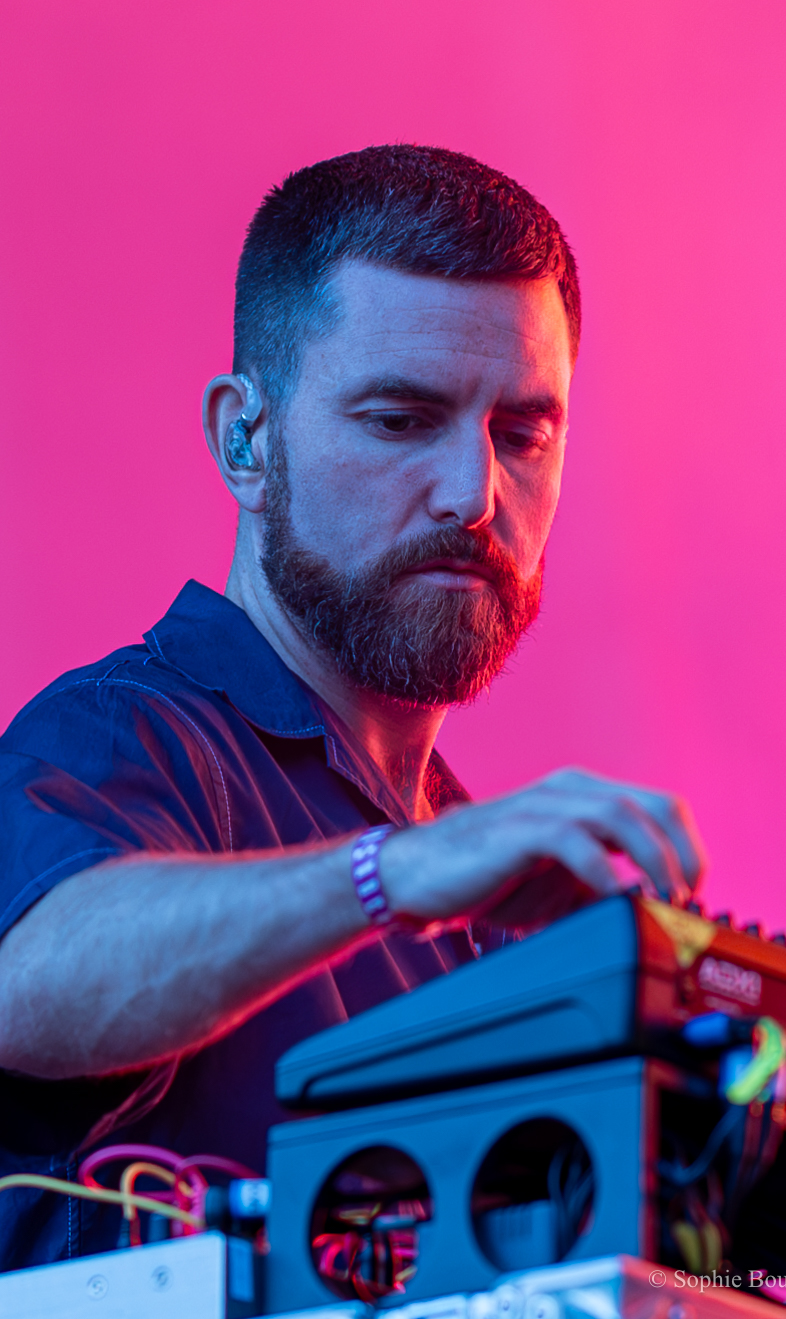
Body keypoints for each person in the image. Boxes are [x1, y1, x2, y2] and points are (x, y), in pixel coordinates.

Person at [0, 145, 703, 1268]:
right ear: (245, 438)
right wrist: (392, 873)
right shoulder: (123, 732)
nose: (473, 494)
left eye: (521, 433)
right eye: (398, 419)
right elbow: (24, 984)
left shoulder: (490, 873)